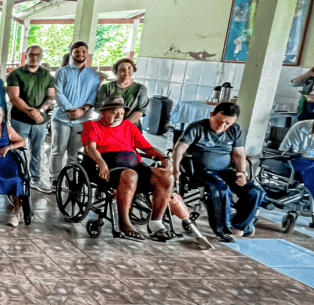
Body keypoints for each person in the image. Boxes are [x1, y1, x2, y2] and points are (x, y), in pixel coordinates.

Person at [82, 97, 190, 242]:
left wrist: (164, 158)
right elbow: (91, 148)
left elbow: (147, 148)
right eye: (114, 113)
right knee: (130, 174)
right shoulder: (92, 125)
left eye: (121, 113)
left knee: (165, 177)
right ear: (103, 112)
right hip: (107, 169)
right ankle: (124, 223)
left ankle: (156, 224)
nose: (119, 116)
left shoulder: (128, 126)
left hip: (134, 166)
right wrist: (101, 161)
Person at [174, 102, 263, 243]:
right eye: (219, 121)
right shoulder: (197, 127)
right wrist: (175, 169)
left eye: (227, 124)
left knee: (255, 192)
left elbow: (239, 153)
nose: (222, 127)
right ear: (211, 115)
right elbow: (179, 149)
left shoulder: (234, 130)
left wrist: (242, 173)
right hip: (201, 170)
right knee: (221, 189)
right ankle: (222, 230)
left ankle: (238, 225)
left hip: (224, 170)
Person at [6, 45, 55, 192]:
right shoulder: (16, 74)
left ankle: (35, 179)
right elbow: (14, 97)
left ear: (41, 56)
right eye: (31, 54)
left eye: (38, 54)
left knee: (37, 151)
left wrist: (40, 110)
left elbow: (51, 96)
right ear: (26, 55)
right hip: (20, 120)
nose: (34, 57)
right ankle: (16, 179)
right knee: (17, 149)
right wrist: (29, 111)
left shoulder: (47, 75)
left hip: (40, 120)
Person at [51, 41, 100, 178]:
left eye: (83, 51)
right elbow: (58, 93)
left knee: (74, 153)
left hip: (82, 119)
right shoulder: (61, 72)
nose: (80, 54)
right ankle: (55, 178)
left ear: (87, 53)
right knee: (58, 150)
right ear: (71, 52)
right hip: (61, 118)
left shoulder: (93, 75)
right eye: (77, 51)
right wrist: (71, 109)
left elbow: (93, 94)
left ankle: (70, 180)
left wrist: (83, 109)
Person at [95, 58, 149, 127]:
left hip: (130, 126)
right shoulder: (106, 87)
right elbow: (99, 107)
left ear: (133, 70)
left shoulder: (141, 89)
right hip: (109, 126)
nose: (126, 71)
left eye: (129, 68)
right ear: (116, 72)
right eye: (122, 69)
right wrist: (113, 124)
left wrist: (123, 127)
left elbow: (140, 110)